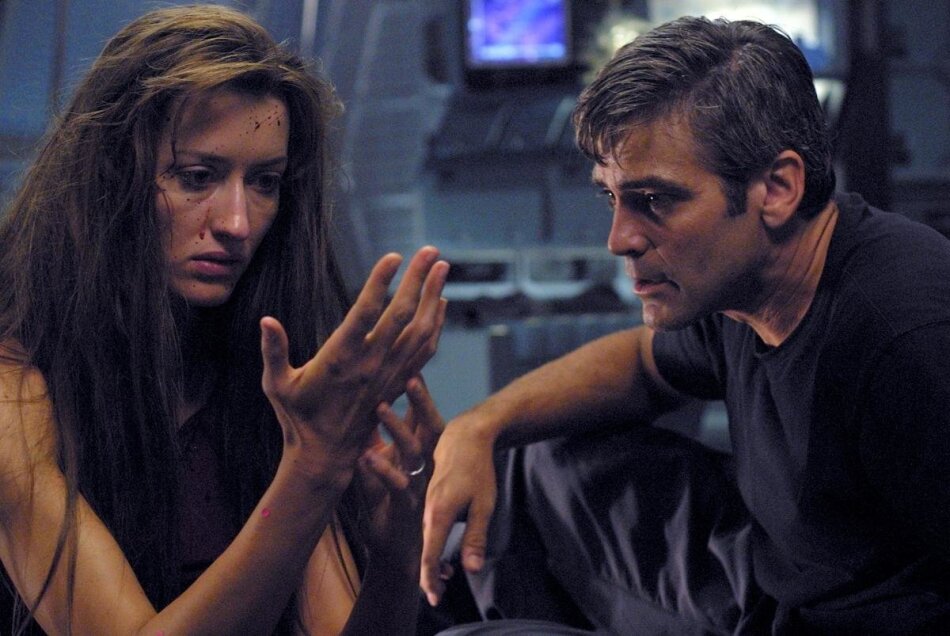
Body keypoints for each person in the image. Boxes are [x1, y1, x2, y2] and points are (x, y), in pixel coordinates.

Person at [421, 15, 950, 635]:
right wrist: (478, 426)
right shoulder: (741, 288)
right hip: (772, 578)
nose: (619, 239)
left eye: (655, 200)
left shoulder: (907, 341)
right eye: (611, 198)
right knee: (536, 462)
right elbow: (642, 365)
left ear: (777, 189)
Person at [0, 5, 450, 635]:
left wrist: (400, 550)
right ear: (111, 178)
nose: (237, 222)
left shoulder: (265, 375)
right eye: (196, 177)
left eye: (264, 182)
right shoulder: (13, 389)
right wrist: (312, 469)